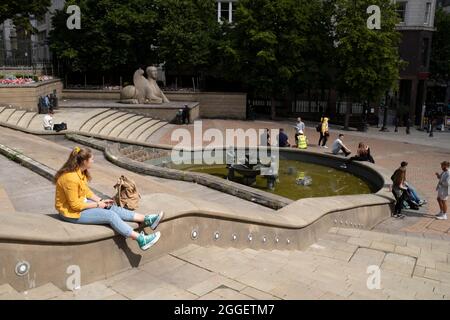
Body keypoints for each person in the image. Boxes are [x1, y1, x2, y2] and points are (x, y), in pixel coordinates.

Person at [55, 147, 163, 250]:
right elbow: (75, 206)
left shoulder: (80, 173)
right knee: (110, 216)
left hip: (80, 205)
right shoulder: (71, 178)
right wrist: (98, 205)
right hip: (71, 213)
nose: (93, 161)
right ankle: (141, 240)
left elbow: (86, 192)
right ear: (84, 161)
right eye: (91, 159)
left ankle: (147, 219)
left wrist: (100, 201)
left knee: (111, 207)